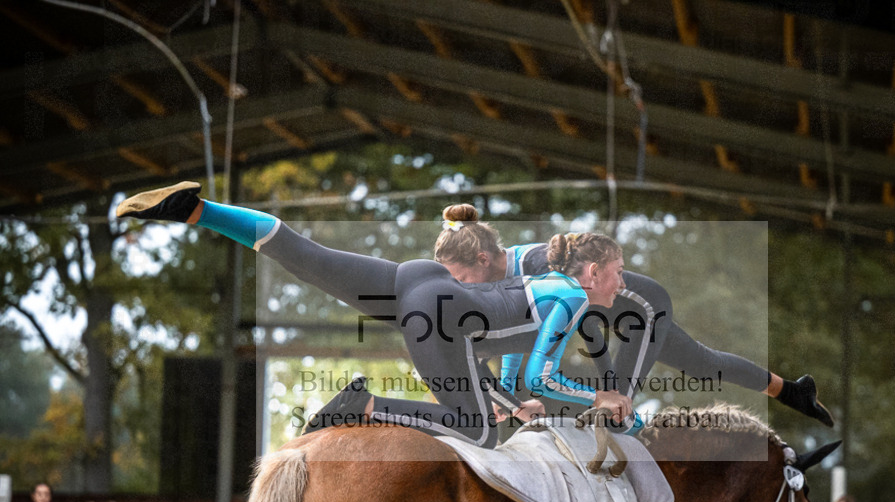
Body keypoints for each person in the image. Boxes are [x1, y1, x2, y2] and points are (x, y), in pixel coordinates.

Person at [117, 185, 630, 448]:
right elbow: (541, 376)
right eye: (617, 272)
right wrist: (599, 396)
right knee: (477, 433)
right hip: (441, 313)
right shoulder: (573, 297)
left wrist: (512, 405)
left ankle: (196, 210)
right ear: (590, 272)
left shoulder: (535, 282)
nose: (622, 285)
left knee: (304, 255)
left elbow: (474, 353)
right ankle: (363, 405)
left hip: (416, 280)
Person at [430, 207, 833, 427]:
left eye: (461, 278)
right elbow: (523, 340)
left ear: (483, 259)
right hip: (614, 316)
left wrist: (611, 388)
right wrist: (509, 393)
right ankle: (791, 391)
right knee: (702, 362)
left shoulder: (534, 265)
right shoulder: (508, 276)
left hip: (643, 308)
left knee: (615, 411)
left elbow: (586, 328)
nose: (463, 288)